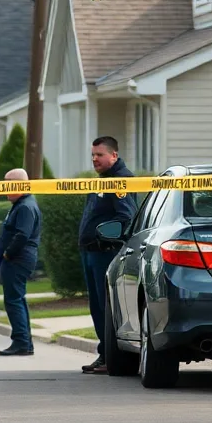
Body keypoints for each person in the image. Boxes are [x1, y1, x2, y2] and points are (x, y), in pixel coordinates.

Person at [78, 136, 137, 374]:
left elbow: (126, 217)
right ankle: (105, 353)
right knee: (97, 307)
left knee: (105, 307)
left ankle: (111, 357)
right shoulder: (104, 180)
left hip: (105, 253)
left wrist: (104, 237)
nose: (95, 159)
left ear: (113, 155)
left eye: (99, 155)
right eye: (93, 155)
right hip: (91, 253)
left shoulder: (121, 181)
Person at [0, 168, 42, 357]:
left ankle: (21, 342)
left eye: (8, 184)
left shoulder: (25, 207)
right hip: (17, 259)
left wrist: (7, 254)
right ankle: (24, 342)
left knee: (14, 301)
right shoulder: (21, 204)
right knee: (17, 300)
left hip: (17, 259)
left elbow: (22, 234)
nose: (5, 189)